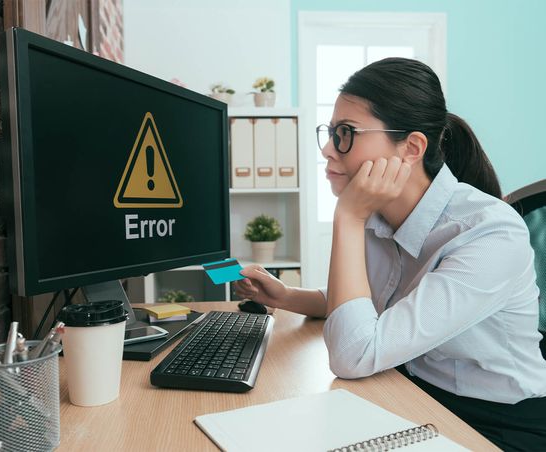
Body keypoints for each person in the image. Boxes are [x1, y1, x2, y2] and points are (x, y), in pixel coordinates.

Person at [234, 57, 546, 451]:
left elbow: (356, 353)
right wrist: (287, 297)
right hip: (416, 395)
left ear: (412, 147)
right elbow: (371, 305)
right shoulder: (378, 216)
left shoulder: (489, 234)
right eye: (329, 133)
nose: (329, 150)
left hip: (499, 424)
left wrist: (347, 217)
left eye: (346, 133)